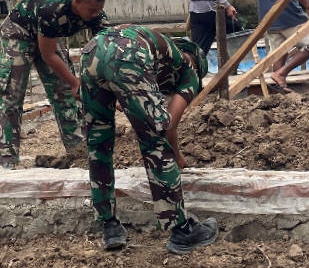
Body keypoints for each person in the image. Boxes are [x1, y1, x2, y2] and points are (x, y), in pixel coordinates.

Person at [79, 24, 218, 254]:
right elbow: (168, 127)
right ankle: (183, 231)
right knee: (154, 142)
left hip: (93, 51)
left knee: (98, 143)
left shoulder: (163, 56)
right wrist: (177, 156)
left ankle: (109, 226)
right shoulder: (189, 72)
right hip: (129, 53)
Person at [0, 0, 108, 167]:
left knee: (64, 92)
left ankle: (78, 152)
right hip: (19, 32)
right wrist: (75, 82)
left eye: (99, 10)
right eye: (92, 10)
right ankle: (6, 160)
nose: (95, 14)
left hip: (48, 35)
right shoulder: (52, 10)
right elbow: (47, 55)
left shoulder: (97, 16)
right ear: (78, 2)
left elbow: (104, 52)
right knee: (12, 95)